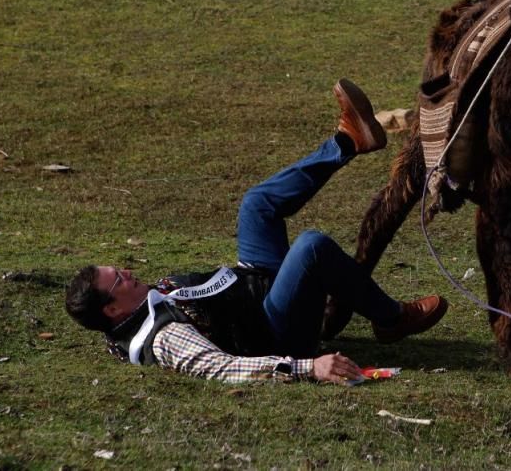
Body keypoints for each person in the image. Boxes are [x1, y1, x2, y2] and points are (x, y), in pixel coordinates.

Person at [65, 79, 449, 385]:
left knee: (257, 203)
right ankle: (391, 318)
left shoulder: (135, 310)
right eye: (119, 279)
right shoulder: (162, 337)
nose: (128, 272)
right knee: (311, 246)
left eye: (119, 269)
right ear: (113, 308)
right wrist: (308, 368)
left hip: (253, 288)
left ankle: (349, 140)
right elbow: (221, 368)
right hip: (275, 332)